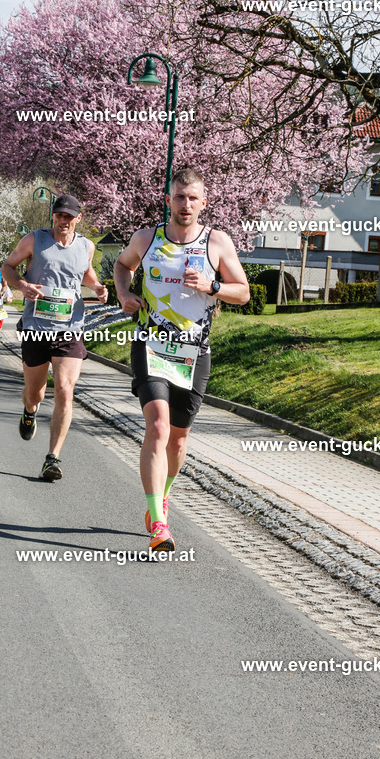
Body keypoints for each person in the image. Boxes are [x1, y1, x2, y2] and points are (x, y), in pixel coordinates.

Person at [114, 168, 250, 551]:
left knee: (178, 438)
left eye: (193, 198)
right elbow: (122, 266)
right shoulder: (148, 238)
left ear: (203, 202)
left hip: (194, 352)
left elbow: (244, 293)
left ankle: (164, 493)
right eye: (179, 197)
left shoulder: (217, 242)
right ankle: (158, 521)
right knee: (158, 425)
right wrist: (124, 294)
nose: (185, 204)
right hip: (151, 343)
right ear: (169, 200)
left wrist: (213, 286)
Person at [2, 194, 108, 482]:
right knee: (35, 393)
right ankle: (29, 410)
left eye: (69, 216)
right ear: (53, 216)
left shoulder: (86, 246)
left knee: (64, 388)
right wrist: (23, 285)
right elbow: (7, 267)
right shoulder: (34, 240)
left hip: (69, 327)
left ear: (78, 219)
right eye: (59, 215)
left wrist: (97, 286)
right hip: (37, 326)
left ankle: (52, 458)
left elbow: (85, 273)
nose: (63, 220)